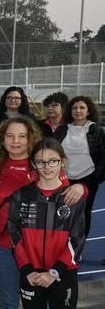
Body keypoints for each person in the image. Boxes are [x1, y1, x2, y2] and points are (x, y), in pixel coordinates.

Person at [0, 116, 78, 309]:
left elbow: (68, 189)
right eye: (10, 136)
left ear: (31, 139)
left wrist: (81, 186)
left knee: (46, 307)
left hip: (43, 252)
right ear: (2, 139)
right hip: (6, 248)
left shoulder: (44, 165)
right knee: (9, 304)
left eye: (22, 136)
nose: (16, 141)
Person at [7, 139, 86, 309]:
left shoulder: (72, 196)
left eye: (53, 161)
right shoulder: (22, 195)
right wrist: (28, 269)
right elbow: (14, 235)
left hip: (62, 275)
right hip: (30, 274)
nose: (47, 166)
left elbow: (77, 240)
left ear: (62, 161)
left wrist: (54, 271)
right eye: (41, 162)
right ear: (33, 165)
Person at [55, 95, 105, 235]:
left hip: (88, 179)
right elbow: (52, 151)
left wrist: (97, 177)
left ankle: (78, 248)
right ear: (70, 111)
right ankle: (62, 246)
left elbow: (103, 156)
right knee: (62, 213)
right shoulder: (62, 129)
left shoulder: (96, 130)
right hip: (63, 179)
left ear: (88, 111)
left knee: (83, 214)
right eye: (75, 108)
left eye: (82, 107)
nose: (78, 110)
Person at [0, 86, 49, 158]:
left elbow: (36, 137)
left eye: (17, 98)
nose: (13, 100)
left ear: (22, 100)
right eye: (9, 98)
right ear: (4, 99)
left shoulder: (29, 117)